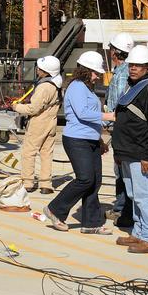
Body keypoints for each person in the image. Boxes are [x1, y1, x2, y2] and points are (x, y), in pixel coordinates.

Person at [39, 51, 115, 235]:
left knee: (95, 181)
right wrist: (109, 116)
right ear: (86, 71)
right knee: (85, 178)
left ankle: (91, 223)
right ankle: (55, 209)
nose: (98, 76)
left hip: (90, 140)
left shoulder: (87, 88)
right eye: (95, 72)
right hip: (77, 140)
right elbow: (82, 113)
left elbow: (90, 118)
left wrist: (100, 138)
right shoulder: (77, 87)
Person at [112, 44, 148, 254]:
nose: (133, 68)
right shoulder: (133, 84)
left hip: (140, 153)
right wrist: (118, 152)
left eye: (138, 66)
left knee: (145, 196)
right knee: (135, 195)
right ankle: (139, 232)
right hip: (126, 151)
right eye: (132, 65)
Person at [11, 54, 63, 196]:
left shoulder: (44, 87)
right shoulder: (57, 83)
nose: (37, 70)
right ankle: (46, 184)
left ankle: (28, 183)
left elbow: (33, 108)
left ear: (46, 71)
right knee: (46, 153)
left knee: (29, 152)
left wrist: (17, 107)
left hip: (39, 122)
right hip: (51, 121)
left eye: (40, 68)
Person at [104, 32, 135, 229]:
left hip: (121, 130)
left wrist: (106, 123)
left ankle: (123, 209)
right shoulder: (126, 72)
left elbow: (115, 104)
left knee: (122, 170)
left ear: (116, 52)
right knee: (123, 170)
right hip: (126, 129)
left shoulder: (121, 74)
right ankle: (121, 207)